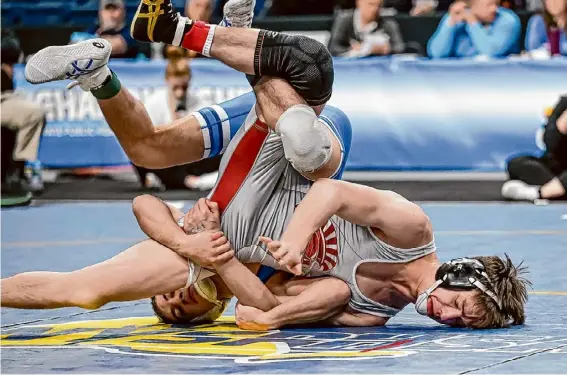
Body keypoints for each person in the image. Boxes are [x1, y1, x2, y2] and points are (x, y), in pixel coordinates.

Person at [20, 0, 530, 329]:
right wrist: (290, 241)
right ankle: (204, 35)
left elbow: (265, 304)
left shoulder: (367, 314)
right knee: (310, 157)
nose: (448, 318)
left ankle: (99, 73)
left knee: (149, 154)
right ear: (462, 276)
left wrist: (199, 248)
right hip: (311, 153)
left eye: (460, 325)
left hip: (251, 189)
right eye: (461, 309)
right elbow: (331, 195)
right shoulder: (413, 229)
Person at [502, 95, 567, 201]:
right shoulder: (564, 103)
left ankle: (539, 193)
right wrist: (562, 125)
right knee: (517, 163)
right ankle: (558, 189)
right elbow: (550, 144)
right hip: (558, 166)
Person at [427, 0, 521, 59]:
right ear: (470, 7)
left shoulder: (508, 20)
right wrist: (450, 23)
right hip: (457, 77)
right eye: (489, 5)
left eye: (496, 3)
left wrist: (472, 22)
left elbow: (491, 52)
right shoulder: (455, 17)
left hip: (499, 77)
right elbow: (436, 54)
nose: (494, 9)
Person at [328, 0, 405, 57]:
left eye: (378, 5)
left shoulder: (388, 23)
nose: (375, 9)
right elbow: (333, 48)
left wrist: (387, 49)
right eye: (371, 4)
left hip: (379, 70)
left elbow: (399, 47)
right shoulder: (344, 20)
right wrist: (354, 49)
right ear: (359, 3)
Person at [70, 0, 142, 59]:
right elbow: (72, 49)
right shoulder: (92, 30)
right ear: (100, 12)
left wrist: (84, 43)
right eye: (107, 8)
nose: (110, 13)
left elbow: (111, 47)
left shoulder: (131, 32)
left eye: (114, 8)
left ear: (123, 12)